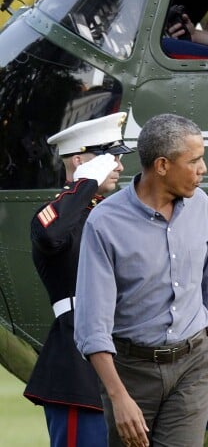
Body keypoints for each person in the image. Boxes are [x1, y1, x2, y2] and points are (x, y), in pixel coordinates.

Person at [74, 113, 208, 447]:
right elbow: (91, 326)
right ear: (162, 165)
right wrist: (118, 398)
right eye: (195, 160)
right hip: (131, 373)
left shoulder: (200, 207)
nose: (203, 169)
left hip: (193, 365)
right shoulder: (104, 224)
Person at [23, 112, 133, 447]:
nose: (119, 166)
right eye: (109, 158)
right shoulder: (56, 216)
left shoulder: (108, 216)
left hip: (124, 359)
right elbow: (52, 236)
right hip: (77, 368)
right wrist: (83, 183)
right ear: (79, 161)